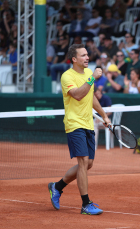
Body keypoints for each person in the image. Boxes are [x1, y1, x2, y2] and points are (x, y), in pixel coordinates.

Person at [48, 43, 111, 215]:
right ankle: (85, 204)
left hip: (88, 123)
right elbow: (77, 94)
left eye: (87, 55)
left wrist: (104, 115)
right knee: (83, 162)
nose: (87, 57)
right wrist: (92, 80)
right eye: (83, 55)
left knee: (88, 164)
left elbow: (90, 98)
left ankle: (57, 187)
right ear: (74, 59)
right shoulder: (67, 76)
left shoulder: (89, 73)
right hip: (74, 123)